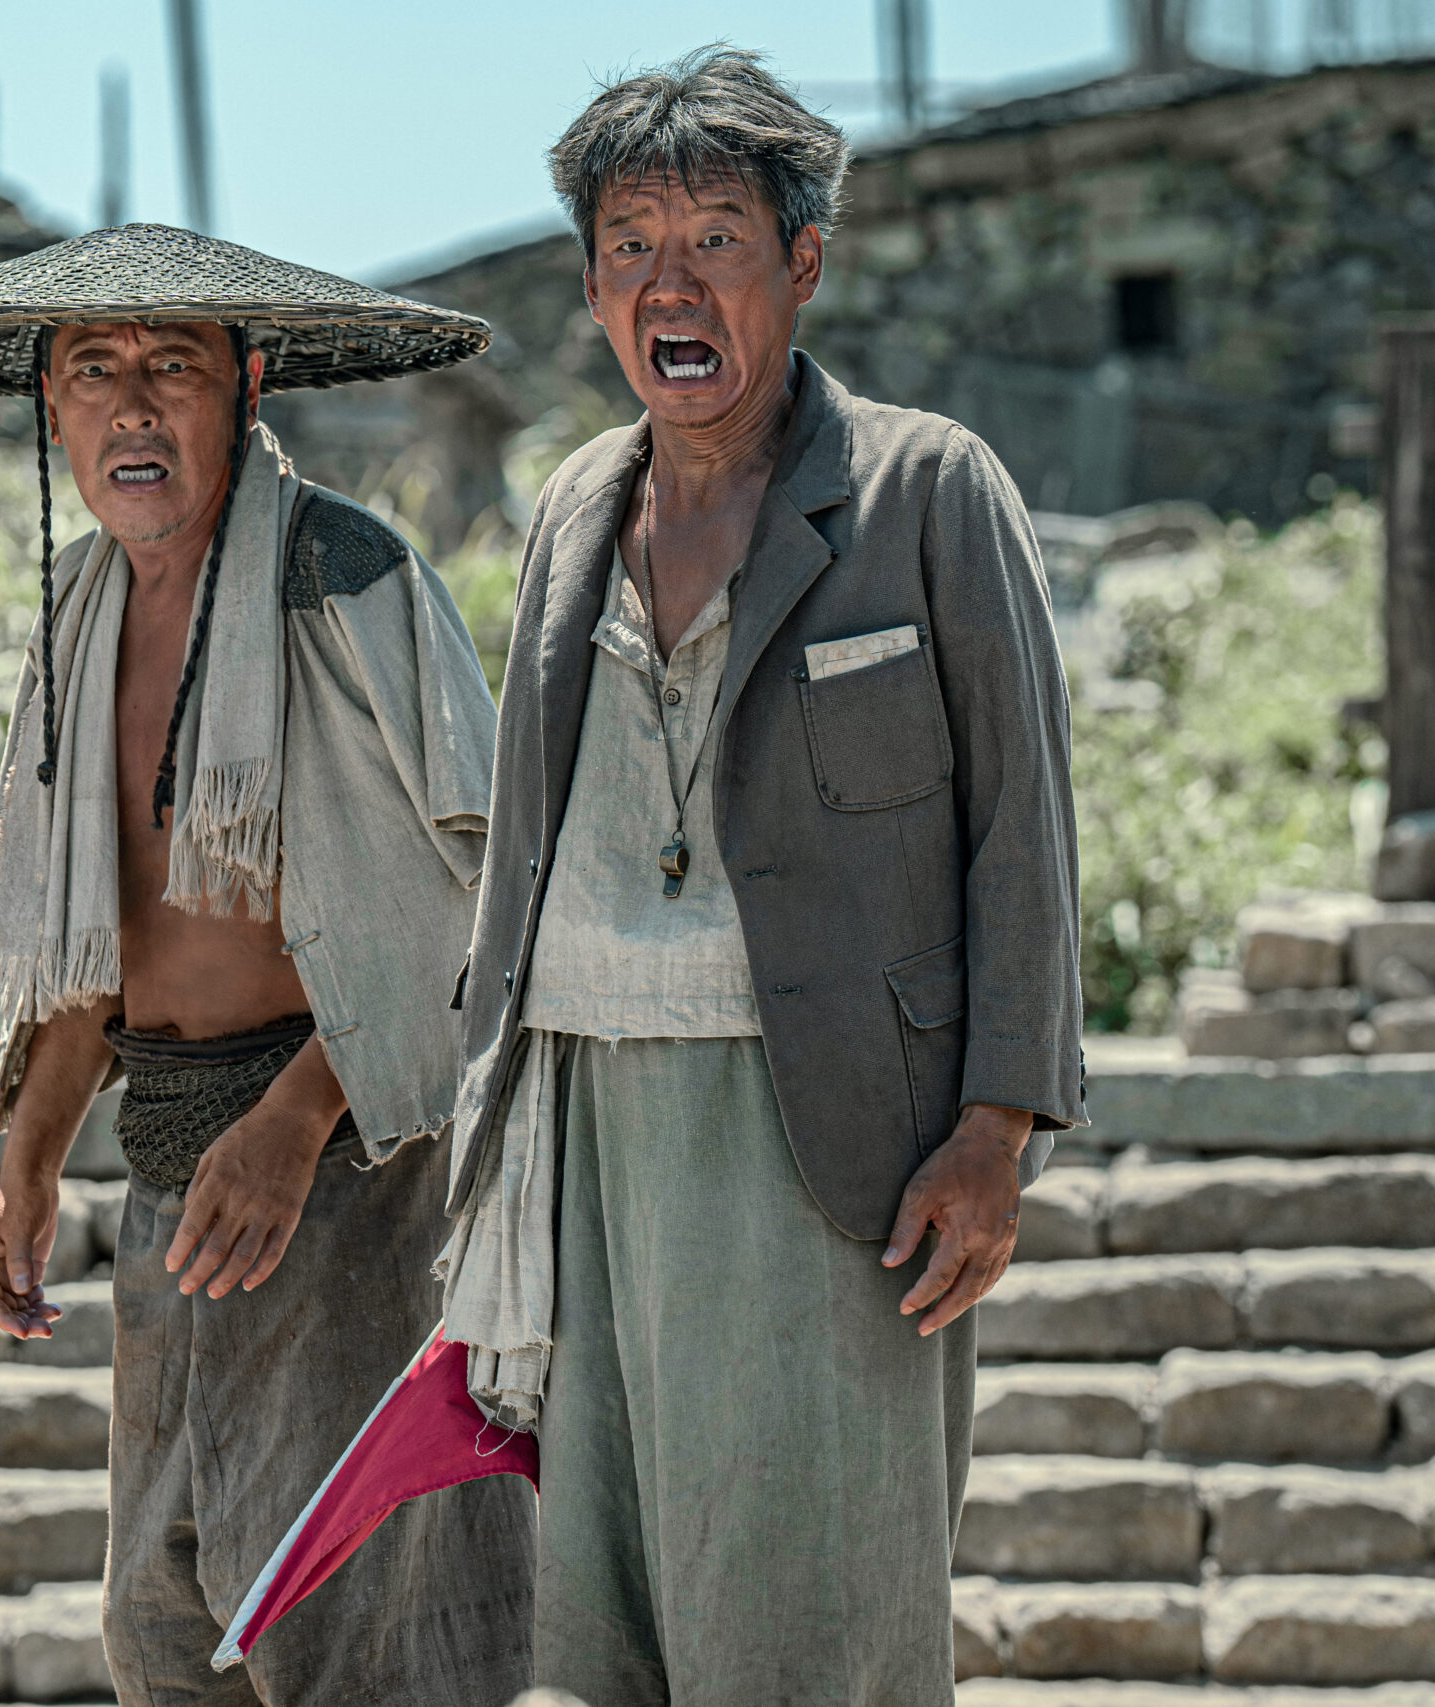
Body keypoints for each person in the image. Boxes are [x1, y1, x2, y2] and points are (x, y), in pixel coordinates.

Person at [0, 224, 536, 1706]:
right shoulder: (77, 612)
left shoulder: (345, 578)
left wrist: (295, 1119)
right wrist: (26, 1162)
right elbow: (97, 935)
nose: (133, 406)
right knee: (164, 1622)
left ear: (247, 387)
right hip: (170, 1172)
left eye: (173, 367)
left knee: (364, 1624)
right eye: (94, 370)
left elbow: (479, 896)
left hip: (356, 1174)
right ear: (49, 405)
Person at [438, 49, 1086, 1707]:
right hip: (594, 1134)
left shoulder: (926, 491)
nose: (672, 283)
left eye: (716, 239)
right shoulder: (576, 508)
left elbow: (1024, 828)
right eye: (632, 246)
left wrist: (997, 1129)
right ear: (593, 288)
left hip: (833, 1143)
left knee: (817, 1622)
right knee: (606, 1627)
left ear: (802, 264)